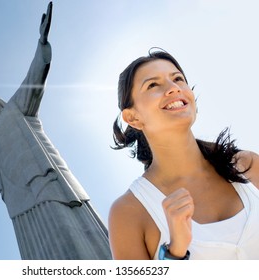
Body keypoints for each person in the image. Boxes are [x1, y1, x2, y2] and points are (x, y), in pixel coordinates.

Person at [0, 2, 111, 260]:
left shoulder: (17, 108)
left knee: (65, 223)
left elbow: (34, 80)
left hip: (42, 176)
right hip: (18, 195)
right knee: (35, 242)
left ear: (0, 102)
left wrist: (41, 44)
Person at [108, 49, 259, 260]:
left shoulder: (247, 164)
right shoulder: (129, 212)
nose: (173, 88)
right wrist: (174, 254)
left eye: (178, 79)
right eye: (153, 85)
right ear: (133, 117)